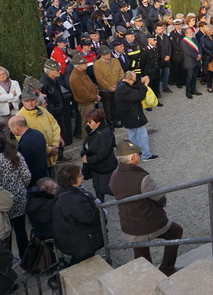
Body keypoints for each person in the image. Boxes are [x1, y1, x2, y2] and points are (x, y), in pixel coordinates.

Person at [110, 140, 183, 277]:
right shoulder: (142, 178)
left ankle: (147, 279)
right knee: (176, 232)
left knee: (141, 252)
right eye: (137, 153)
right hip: (149, 223)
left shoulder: (114, 177)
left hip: (129, 225)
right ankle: (167, 268)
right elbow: (160, 198)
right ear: (132, 158)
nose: (139, 154)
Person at [0, 132, 31, 258]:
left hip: (2, 202)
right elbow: (26, 176)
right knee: (21, 230)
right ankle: (25, 258)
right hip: (19, 198)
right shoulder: (16, 155)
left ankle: (9, 260)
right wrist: (20, 188)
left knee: (6, 234)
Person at [52, 164, 104, 265]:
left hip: (69, 237)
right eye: (80, 176)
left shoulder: (62, 191)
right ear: (71, 181)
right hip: (80, 242)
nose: (83, 177)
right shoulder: (76, 200)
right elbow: (91, 217)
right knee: (81, 262)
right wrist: (100, 208)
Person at [115, 71, 157, 161]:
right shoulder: (124, 89)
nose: (134, 81)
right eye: (133, 80)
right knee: (142, 135)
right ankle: (146, 155)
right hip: (133, 114)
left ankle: (135, 153)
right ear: (129, 79)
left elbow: (133, 89)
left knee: (133, 135)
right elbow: (138, 95)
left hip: (127, 115)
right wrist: (145, 85)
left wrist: (141, 83)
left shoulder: (121, 85)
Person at [17, 91, 62, 171]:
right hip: (38, 158)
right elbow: (26, 140)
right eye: (26, 101)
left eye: (32, 100)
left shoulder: (43, 110)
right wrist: (48, 150)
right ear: (22, 102)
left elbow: (55, 126)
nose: (30, 103)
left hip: (53, 154)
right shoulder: (19, 117)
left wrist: (55, 144)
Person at [81, 109, 118, 202]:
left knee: (107, 188)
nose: (87, 124)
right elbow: (87, 146)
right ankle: (101, 208)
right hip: (95, 167)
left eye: (90, 122)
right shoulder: (93, 130)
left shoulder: (105, 133)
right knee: (98, 188)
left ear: (98, 122)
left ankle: (126, 199)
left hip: (104, 166)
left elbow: (103, 153)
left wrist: (88, 160)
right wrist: (84, 154)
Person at [9, 115, 48, 187]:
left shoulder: (25, 143)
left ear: (17, 129)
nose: (10, 130)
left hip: (34, 178)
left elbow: (25, 163)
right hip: (43, 172)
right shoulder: (37, 133)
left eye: (10, 128)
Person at [69, 54, 100, 138]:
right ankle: (88, 142)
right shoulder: (76, 77)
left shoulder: (82, 73)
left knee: (91, 123)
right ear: (79, 66)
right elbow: (84, 94)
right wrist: (96, 97)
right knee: (87, 124)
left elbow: (92, 85)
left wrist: (96, 93)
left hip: (90, 102)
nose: (86, 64)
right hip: (86, 104)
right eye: (84, 63)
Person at [94, 46, 124, 128]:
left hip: (116, 87)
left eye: (109, 53)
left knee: (115, 106)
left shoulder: (115, 60)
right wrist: (109, 87)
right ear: (101, 55)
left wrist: (118, 84)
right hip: (105, 90)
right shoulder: (97, 64)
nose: (108, 55)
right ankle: (110, 124)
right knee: (107, 108)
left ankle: (115, 121)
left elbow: (121, 72)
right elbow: (100, 79)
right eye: (106, 54)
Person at [180, 27, 203, 99]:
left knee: (194, 77)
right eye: (190, 32)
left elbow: (199, 47)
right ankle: (188, 92)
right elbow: (187, 52)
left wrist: (200, 54)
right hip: (190, 62)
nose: (192, 33)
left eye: (191, 32)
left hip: (196, 60)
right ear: (186, 34)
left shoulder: (194, 39)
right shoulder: (183, 41)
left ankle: (194, 90)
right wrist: (196, 56)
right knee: (189, 77)